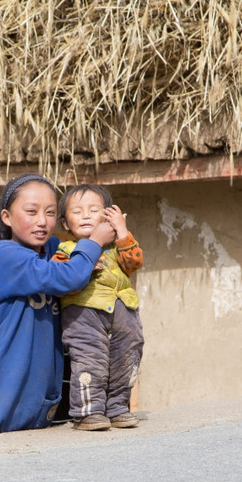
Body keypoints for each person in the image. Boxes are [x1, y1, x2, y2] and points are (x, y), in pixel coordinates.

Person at [0, 174, 116, 440]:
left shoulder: (55, 250)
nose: (42, 221)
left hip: (40, 392)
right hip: (3, 383)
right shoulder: (4, 255)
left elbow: (76, 268)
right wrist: (94, 243)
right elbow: (69, 276)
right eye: (31, 212)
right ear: (6, 217)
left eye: (49, 213)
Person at [52, 184, 144, 431]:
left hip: (124, 312)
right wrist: (80, 270)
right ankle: (87, 412)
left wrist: (122, 231)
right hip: (84, 314)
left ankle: (117, 409)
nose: (85, 215)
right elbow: (59, 282)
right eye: (77, 211)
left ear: (106, 217)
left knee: (127, 356)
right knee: (91, 359)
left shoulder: (117, 247)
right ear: (65, 222)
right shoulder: (66, 250)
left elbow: (134, 263)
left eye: (94, 210)